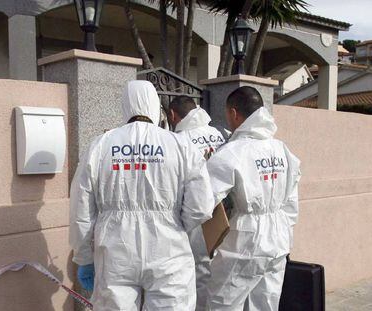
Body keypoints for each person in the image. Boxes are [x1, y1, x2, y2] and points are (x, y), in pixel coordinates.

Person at [69, 80, 215, 310]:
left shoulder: (101, 145)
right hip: (169, 250)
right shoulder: (180, 144)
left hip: (115, 248)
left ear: (124, 106)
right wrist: (174, 224)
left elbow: (81, 208)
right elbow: (201, 205)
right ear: (155, 105)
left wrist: (84, 256)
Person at [206, 86, 301, 311]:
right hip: (278, 239)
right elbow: (291, 203)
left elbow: (202, 200)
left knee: (223, 302)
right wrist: (283, 229)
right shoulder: (282, 150)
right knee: (265, 303)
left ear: (234, 113)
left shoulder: (233, 152)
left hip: (245, 240)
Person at [168, 96, 229, 311]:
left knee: (197, 272)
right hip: (226, 213)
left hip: (195, 213)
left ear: (173, 115)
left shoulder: (179, 140)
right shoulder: (221, 134)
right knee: (221, 272)